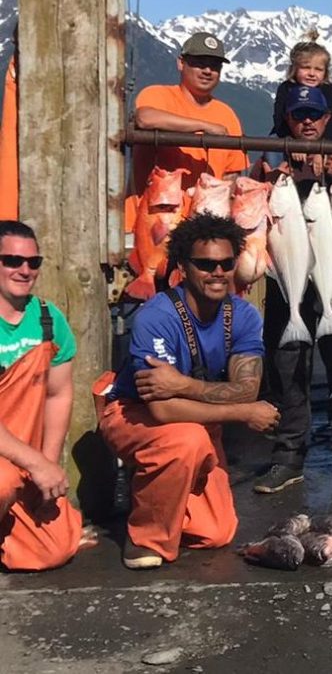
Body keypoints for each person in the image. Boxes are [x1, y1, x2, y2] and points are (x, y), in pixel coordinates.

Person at [98, 213, 279, 569]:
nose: (218, 272)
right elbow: (162, 411)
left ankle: (161, 492)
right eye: (206, 264)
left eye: (226, 263)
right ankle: (145, 538)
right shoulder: (156, 316)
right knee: (185, 441)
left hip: (195, 418)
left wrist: (181, 385)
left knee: (216, 532)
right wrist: (243, 412)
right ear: (183, 265)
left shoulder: (243, 315)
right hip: (133, 413)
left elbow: (247, 388)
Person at [252, 85, 332, 493]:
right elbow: (248, 212)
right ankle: (288, 457)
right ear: (287, 118)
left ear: (326, 120)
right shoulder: (268, 158)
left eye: (314, 115)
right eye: (299, 114)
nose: (306, 121)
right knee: (288, 367)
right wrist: (269, 182)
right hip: (287, 280)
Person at [0, 220, 83, 571]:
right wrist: (35, 464)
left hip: (22, 456)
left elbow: (58, 395)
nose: (24, 269)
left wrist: (46, 465)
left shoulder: (49, 318)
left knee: (56, 550)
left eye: (33, 262)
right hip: (10, 462)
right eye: (12, 260)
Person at [125, 32, 249, 230]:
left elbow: (231, 176)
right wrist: (204, 126)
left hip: (203, 230)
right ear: (181, 63)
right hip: (149, 224)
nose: (208, 70)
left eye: (215, 66)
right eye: (200, 63)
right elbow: (145, 118)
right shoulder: (157, 94)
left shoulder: (227, 114)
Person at [270, 33, 332, 138]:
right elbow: (279, 117)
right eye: (306, 68)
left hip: (328, 133)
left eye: (318, 69)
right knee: (272, 142)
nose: (312, 74)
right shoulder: (286, 88)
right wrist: (291, 143)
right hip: (288, 133)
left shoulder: (327, 90)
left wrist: (323, 147)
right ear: (294, 69)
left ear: (325, 73)